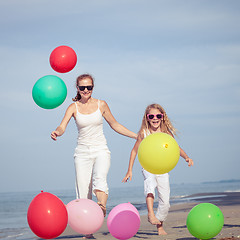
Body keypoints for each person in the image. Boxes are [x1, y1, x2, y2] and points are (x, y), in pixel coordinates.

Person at [51, 73, 137, 219]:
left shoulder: (101, 104)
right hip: (82, 152)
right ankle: (87, 228)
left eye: (89, 87)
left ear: (93, 87)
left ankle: (102, 206)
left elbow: (114, 124)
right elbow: (62, 126)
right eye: (82, 87)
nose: (86, 90)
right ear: (77, 88)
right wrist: (57, 132)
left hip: (100, 149)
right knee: (83, 191)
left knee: (100, 178)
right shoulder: (73, 107)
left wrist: (136, 135)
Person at [122, 103, 193, 235]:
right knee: (150, 185)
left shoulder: (166, 133)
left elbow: (176, 148)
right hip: (148, 166)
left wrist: (186, 157)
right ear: (147, 118)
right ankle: (150, 213)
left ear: (162, 117)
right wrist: (129, 170)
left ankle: (160, 225)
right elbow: (134, 151)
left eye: (158, 115)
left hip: (163, 168)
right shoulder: (144, 133)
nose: (155, 118)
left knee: (165, 201)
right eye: (151, 116)